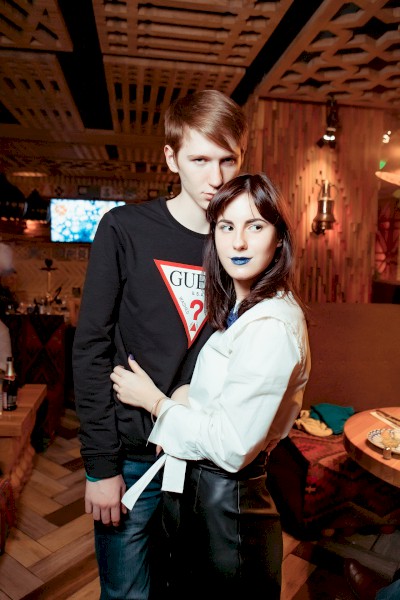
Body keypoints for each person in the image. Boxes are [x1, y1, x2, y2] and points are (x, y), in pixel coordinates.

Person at [72, 89, 248, 600]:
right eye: (199, 160)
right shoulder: (125, 229)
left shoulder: (239, 244)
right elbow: (91, 348)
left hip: (203, 461)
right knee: (127, 595)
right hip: (132, 459)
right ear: (171, 158)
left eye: (227, 160)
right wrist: (100, 465)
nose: (216, 177)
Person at [111, 173, 311, 599]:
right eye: (226, 226)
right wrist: (185, 398)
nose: (238, 242)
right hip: (204, 504)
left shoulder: (271, 324)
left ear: (278, 239)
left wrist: (157, 404)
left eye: (255, 226)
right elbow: (225, 398)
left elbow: (232, 446)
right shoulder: (243, 308)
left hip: (228, 515)